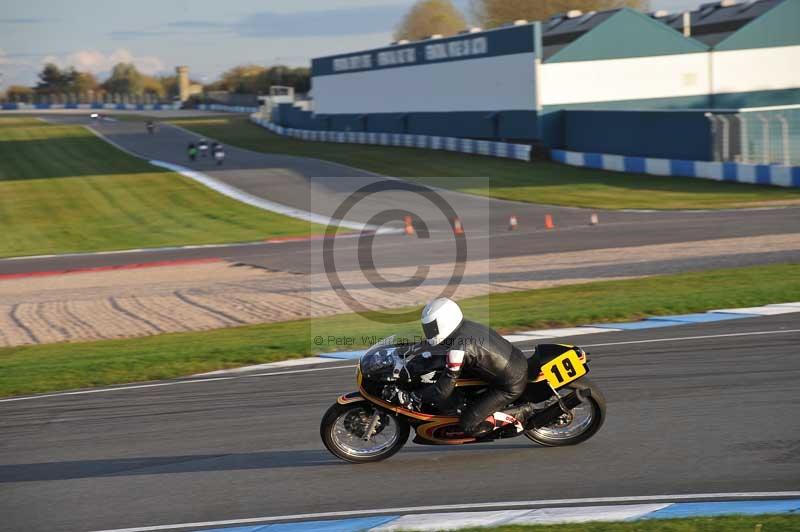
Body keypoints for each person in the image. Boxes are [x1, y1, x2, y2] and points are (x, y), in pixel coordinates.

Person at [418, 297, 535, 438]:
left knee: (468, 425)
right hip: (515, 359)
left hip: (510, 383)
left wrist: (420, 396)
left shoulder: (459, 350)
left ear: (444, 322)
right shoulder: (465, 326)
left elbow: (443, 391)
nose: (429, 331)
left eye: (432, 327)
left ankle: (521, 412)